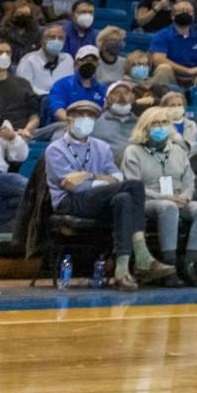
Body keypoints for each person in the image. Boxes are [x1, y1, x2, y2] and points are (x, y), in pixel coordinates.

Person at [45, 100, 156, 289]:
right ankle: (141, 251)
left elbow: (117, 177)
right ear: (69, 119)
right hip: (69, 202)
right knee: (135, 186)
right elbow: (73, 186)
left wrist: (88, 176)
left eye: (90, 117)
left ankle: (122, 270)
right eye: (81, 116)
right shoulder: (55, 149)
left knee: (124, 198)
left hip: (96, 201)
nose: (86, 120)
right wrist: (102, 181)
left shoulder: (101, 147)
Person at [121, 106, 197, 286]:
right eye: (155, 124)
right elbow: (133, 185)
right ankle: (168, 268)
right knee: (167, 207)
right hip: (148, 200)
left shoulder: (178, 150)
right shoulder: (133, 151)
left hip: (178, 198)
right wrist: (165, 197)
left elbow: (189, 178)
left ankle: (189, 266)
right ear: (145, 127)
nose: (160, 128)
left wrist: (186, 195)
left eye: (164, 123)